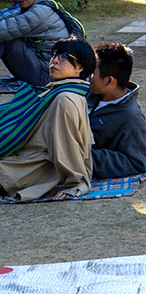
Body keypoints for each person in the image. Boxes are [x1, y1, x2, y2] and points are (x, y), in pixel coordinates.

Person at [0, 36, 95, 201]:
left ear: (79, 66)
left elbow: (66, 145)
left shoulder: (66, 98)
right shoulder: (62, 91)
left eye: (64, 57)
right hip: (20, 160)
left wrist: (75, 183)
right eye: (54, 55)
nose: (55, 61)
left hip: (25, 168)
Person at [88, 42, 146, 180]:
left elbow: (137, 162)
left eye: (92, 73)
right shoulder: (90, 94)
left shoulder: (130, 117)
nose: (88, 77)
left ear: (109, 81)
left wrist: (84, 156)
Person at [1, 0, 77, 87]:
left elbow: (5, 29)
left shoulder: (40, 12)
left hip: (48, 75)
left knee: (6, 40)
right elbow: (5, 18)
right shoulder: (32, 7)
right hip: (42, 67)